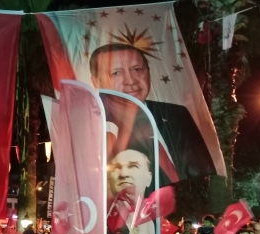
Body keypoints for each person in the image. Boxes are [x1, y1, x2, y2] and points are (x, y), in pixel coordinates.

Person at [89, 43, 217, 184]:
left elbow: (206, 173)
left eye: (137, 69)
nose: (131, 81)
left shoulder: (176, 114)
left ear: (148, 72)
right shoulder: (93, 130)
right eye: (116, 73)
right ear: (96, 82)